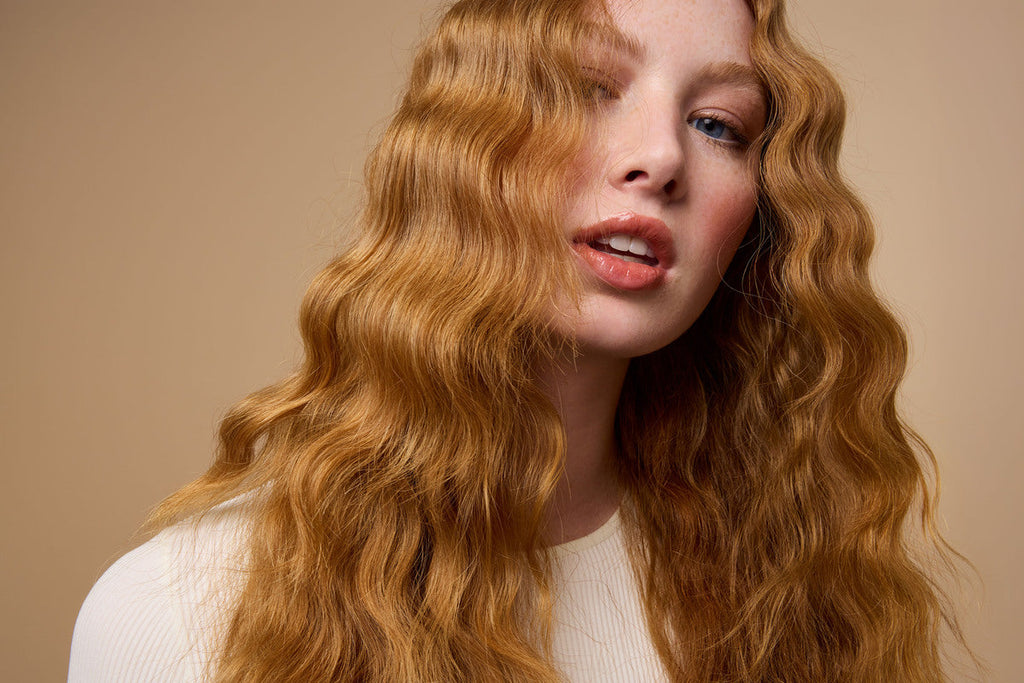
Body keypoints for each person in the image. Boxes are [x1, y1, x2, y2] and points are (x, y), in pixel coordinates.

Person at [68, 0, 971, 680]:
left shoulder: (806, 594)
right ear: (462, 148)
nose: (658, 156)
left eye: (717, 125)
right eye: (587, 88)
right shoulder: (182, 612)